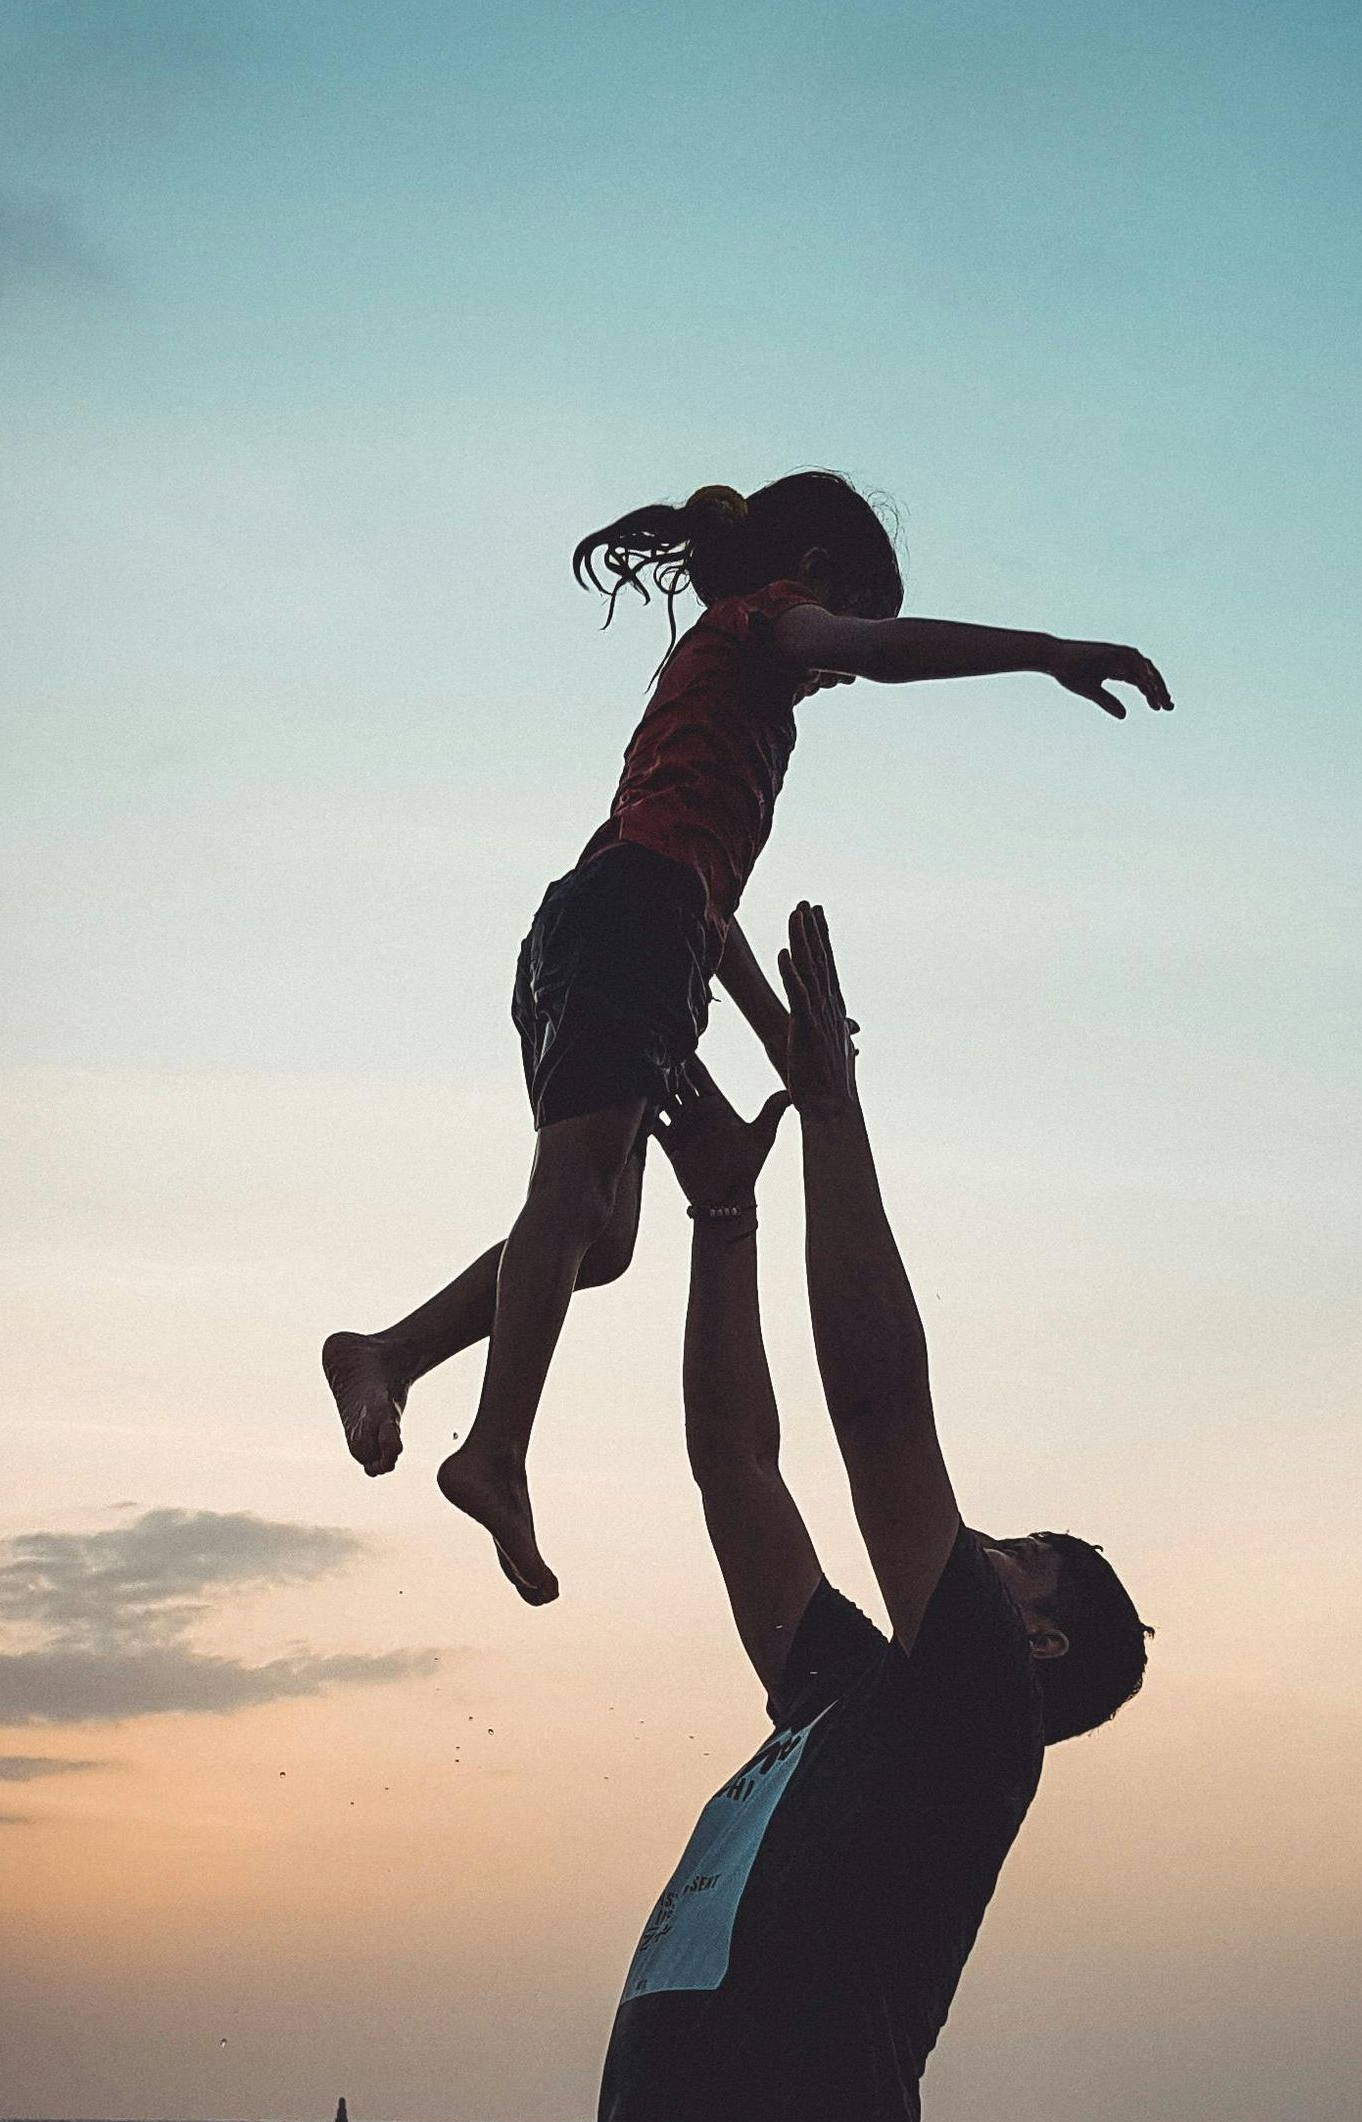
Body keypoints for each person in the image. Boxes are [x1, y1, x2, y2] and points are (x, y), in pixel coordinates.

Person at [322, 472, 1174, 1602]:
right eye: (837, 642)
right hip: (631, 921)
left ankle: (390, 1354)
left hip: (626, 925)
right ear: (813, 579)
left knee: (602, 1240)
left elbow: (703, 898)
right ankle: (496, 1448)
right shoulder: (761, 621)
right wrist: (1045, 652)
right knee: (572, 1195)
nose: (834, 674)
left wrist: (783, 1038)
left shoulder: (721, 716)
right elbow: (880, 656)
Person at [599, 903, 1153, 2120]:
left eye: (1021, 1556)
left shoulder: (985, 1714)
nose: (980, 1541)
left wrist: (831, 1114)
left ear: (1039, 1639)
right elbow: (736, 1469)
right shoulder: (841, 1696)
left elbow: (881, 1417)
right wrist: (722, 1218)